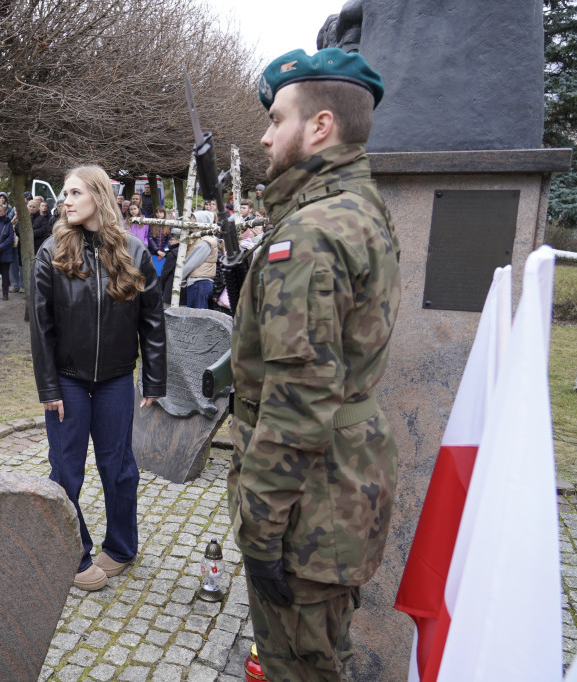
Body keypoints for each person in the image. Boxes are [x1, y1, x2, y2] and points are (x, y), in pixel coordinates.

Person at [226, 48, 399, 681]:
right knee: (320, 651)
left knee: (300, 665)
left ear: (319, 126)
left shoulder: (314, 235)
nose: (266, 136)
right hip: (339, 487)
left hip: (309, 507)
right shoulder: (358, 206)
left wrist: (261, 529)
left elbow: (299, 401)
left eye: (277, 118)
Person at [29, 165, 166, 591]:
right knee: (66, 472)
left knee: (120, 469)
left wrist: (154, 381)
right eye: (64, 194)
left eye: (75, 192)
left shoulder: (133, 252)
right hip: (68, 382)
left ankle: (122, 547)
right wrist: (49, 387)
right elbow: (40, 326)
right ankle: (74, 552)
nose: (65, 201)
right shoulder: (51, 251)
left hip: (115, 381)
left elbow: (153, 322)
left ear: (99, 197)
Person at [180, 230, 218, 309]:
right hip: (202, 281)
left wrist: (180, 277)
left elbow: (192, 263)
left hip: (199, 282)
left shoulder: (205, 242)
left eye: (195, 226)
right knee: (198, 316)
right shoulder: (207, 239)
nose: (192, 229)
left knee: (196, 317)